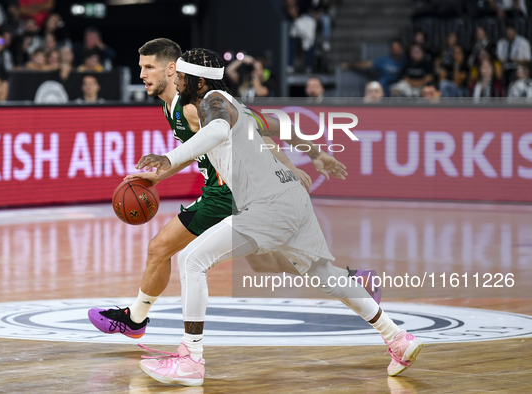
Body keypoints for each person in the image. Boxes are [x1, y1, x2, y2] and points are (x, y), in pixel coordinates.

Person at [135, 48, 421, 386]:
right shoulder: (234, 105)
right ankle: (398, 339)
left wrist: (167, 159)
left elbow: (214, 134)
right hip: (291, 198)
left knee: (193, 261)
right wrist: (316, 154)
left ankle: (191, 359)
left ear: (196, 80)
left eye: (181, 76)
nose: (177, 81)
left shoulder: (212, 103)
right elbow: (281, 123)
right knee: (324, 273)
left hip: (267, 204)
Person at [88, 39, 381, 342]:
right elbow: (199, 149)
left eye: (149, 67)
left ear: (173, 70)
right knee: (263, 262)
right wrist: (157, 178)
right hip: (227, 191)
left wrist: (293, 161)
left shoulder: (194, 106)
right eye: (141, 67)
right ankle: (350, 280)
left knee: (161, 249)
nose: (142, 74)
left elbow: (261, 128)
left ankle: (137, 319)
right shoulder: (170, 105)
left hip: (225, 193)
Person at [341, 38, 406, 96]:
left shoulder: (406, 60)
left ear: (402, 48)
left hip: (400, 84)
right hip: (385, 85)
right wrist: (349, 65)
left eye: (398, 47)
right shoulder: (384, 60)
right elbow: (367, 64)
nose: (396, 50)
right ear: (391, 49)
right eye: (394, 47)